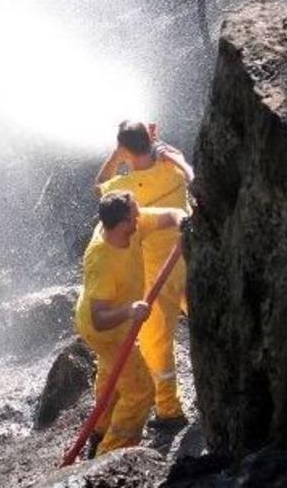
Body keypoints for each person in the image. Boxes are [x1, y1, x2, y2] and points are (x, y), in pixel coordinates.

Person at [94, 121, 193, 429]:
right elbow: (188, 170)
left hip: (155, 274)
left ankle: (168, 410)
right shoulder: (172, 168)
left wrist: (116, 156)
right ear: (151, 138)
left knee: (156, 343)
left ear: (125, 149)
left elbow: (99, 186)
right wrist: (162, 149)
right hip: (190, 261)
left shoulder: (124, 191)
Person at [75, 190, 186, 457]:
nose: (140, 216)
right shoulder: (102, 260)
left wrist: (183, 219)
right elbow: (99, 319)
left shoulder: (128, 227)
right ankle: (110, 455)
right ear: (123, 223)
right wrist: (130, 311)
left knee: (112, 377)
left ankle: (99, 429)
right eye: (135, 213)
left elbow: (169, 215)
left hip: (115, 322)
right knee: (140, 389)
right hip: (103, 330)